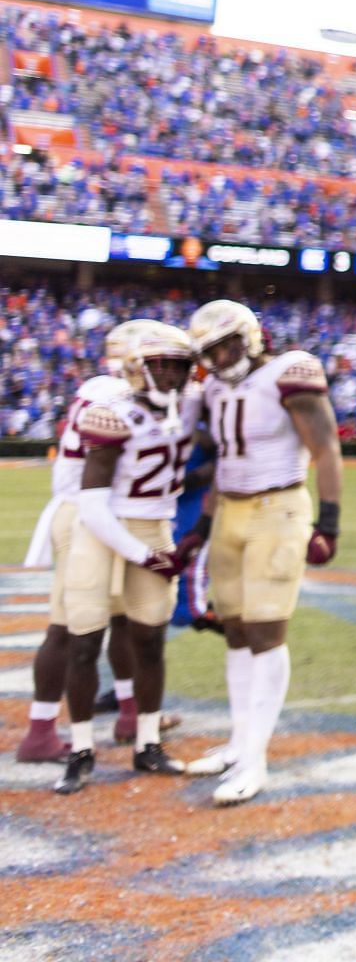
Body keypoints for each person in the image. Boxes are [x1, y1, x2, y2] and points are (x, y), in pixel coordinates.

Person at [183, 299, 344, 805]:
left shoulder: (288, 372)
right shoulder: (212, 386)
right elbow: (226, 457)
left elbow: (326, 449)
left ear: (248, 337)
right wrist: (203, 525)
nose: (218, 356)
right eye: (208, 351)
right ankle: (238, 743)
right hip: (230, 510)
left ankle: (255, 759)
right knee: (233, 628)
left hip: (278, 506)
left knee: (266, 631)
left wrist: (330, 523)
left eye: (225, 344)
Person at [52, 321, 199, 794]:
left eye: (180, 366)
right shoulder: (110, 412)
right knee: (83, 642)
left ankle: (148, 743)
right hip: (101, 529)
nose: (173, 376)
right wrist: (144, 555)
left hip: (154, 525)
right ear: (139, 368)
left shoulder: (192, 406)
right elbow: (93, 506)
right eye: (162, 366)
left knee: (150, 640)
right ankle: (80, 749)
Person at [15, 341, 132, 764]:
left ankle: (131, 713)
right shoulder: (115, 396)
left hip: (97, 511)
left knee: (124, 618)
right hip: (85, 514)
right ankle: (40, 733)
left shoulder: (104, 388)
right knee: (68, 627)